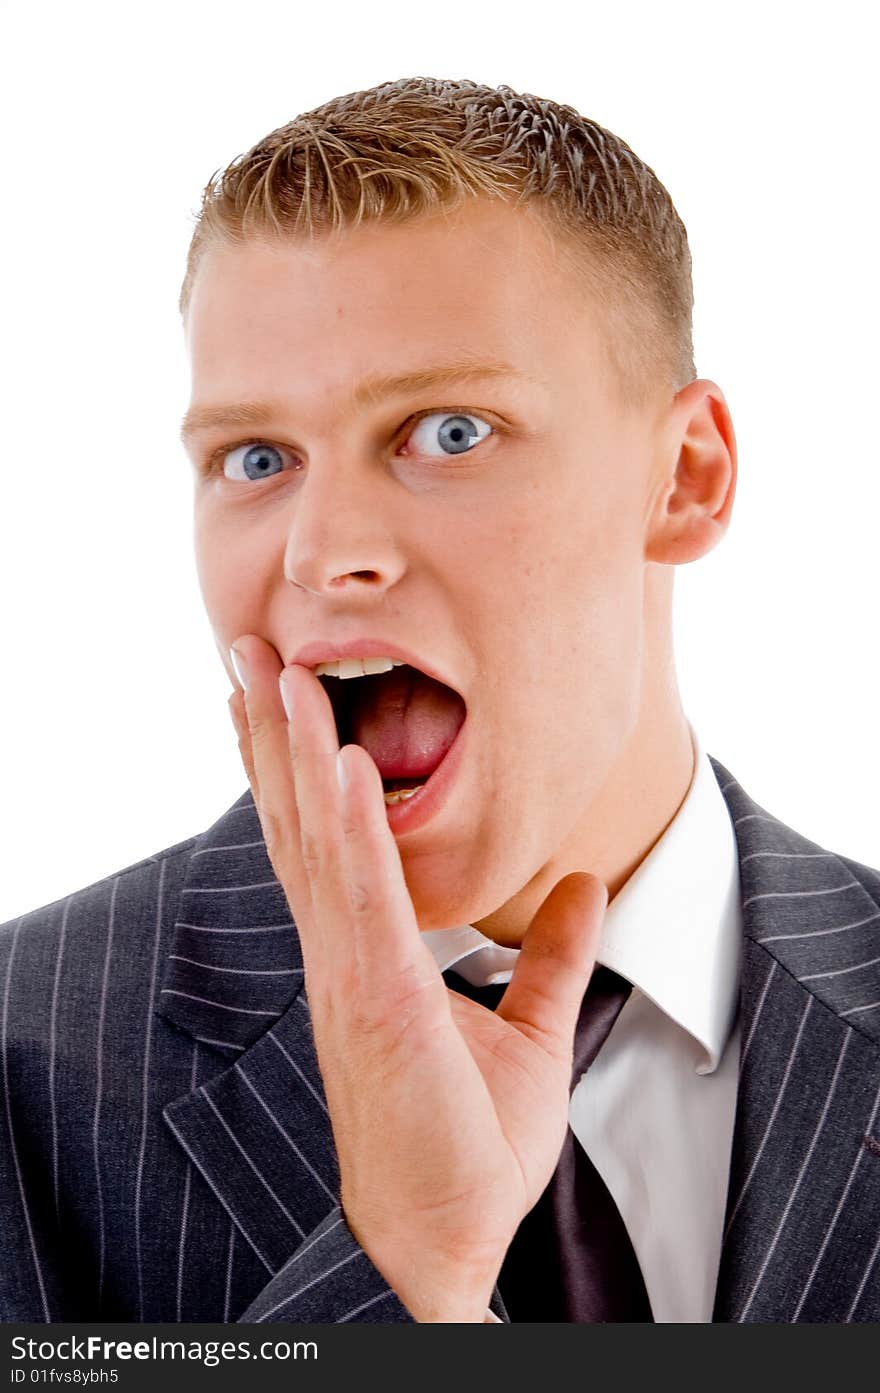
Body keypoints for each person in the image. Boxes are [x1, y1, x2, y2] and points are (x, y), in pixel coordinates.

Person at [2, 76, 878, 1326]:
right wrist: (408, 1266)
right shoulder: (21, 1063)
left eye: (448, 431)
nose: (323, 549)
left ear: (683, 477)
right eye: (256, 460)